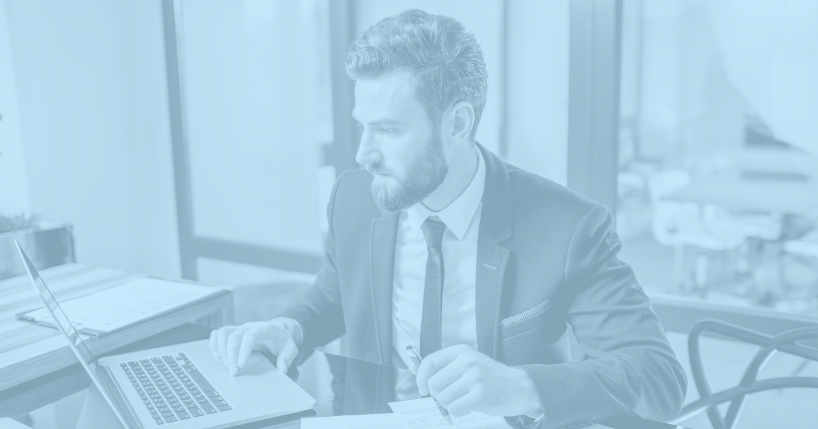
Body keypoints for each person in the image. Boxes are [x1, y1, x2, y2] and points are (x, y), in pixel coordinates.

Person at [210, 9, 687, 429]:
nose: (363, 153)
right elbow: (335, 294)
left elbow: (658, 376)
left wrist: (521, 386)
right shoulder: (355, 198)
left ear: (457, 124)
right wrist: (289, 328)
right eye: (362, 125)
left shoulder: (568, 228)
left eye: (389, 129)